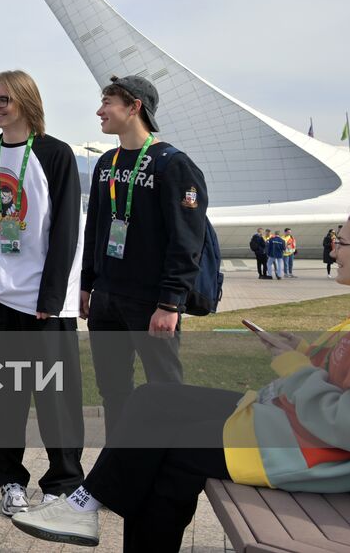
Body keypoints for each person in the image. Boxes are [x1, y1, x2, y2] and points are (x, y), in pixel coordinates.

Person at [12, 209, 350, 551]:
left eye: (341, 242)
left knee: (168, 456)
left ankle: (84, 506)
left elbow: (349, 424)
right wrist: (303, 351)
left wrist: (295, 367)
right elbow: (337, 378)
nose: (333, 250)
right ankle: (85, 503)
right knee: (153, 398)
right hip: (288, 424)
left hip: (308, 451)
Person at [0, 71, 85, 516]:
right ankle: (10, 481)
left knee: (56, 395)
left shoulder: (55, 154)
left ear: (25, 101)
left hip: (39, 302)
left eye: (2, 99)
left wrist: (51, 299)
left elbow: (66, 229)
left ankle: (63, 484)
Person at [82, 75, 209, 441]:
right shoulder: (106, 162)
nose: (99, 110)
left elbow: (187, 240)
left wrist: (170, 302)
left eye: (108, 102)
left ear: (134, 106)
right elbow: (97, 229)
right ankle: (117, 473)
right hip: (106, 299)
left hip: (151, 303)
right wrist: (88, 284)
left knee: (165, 389)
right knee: (113, 392)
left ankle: (164, 472)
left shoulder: (172, 164)